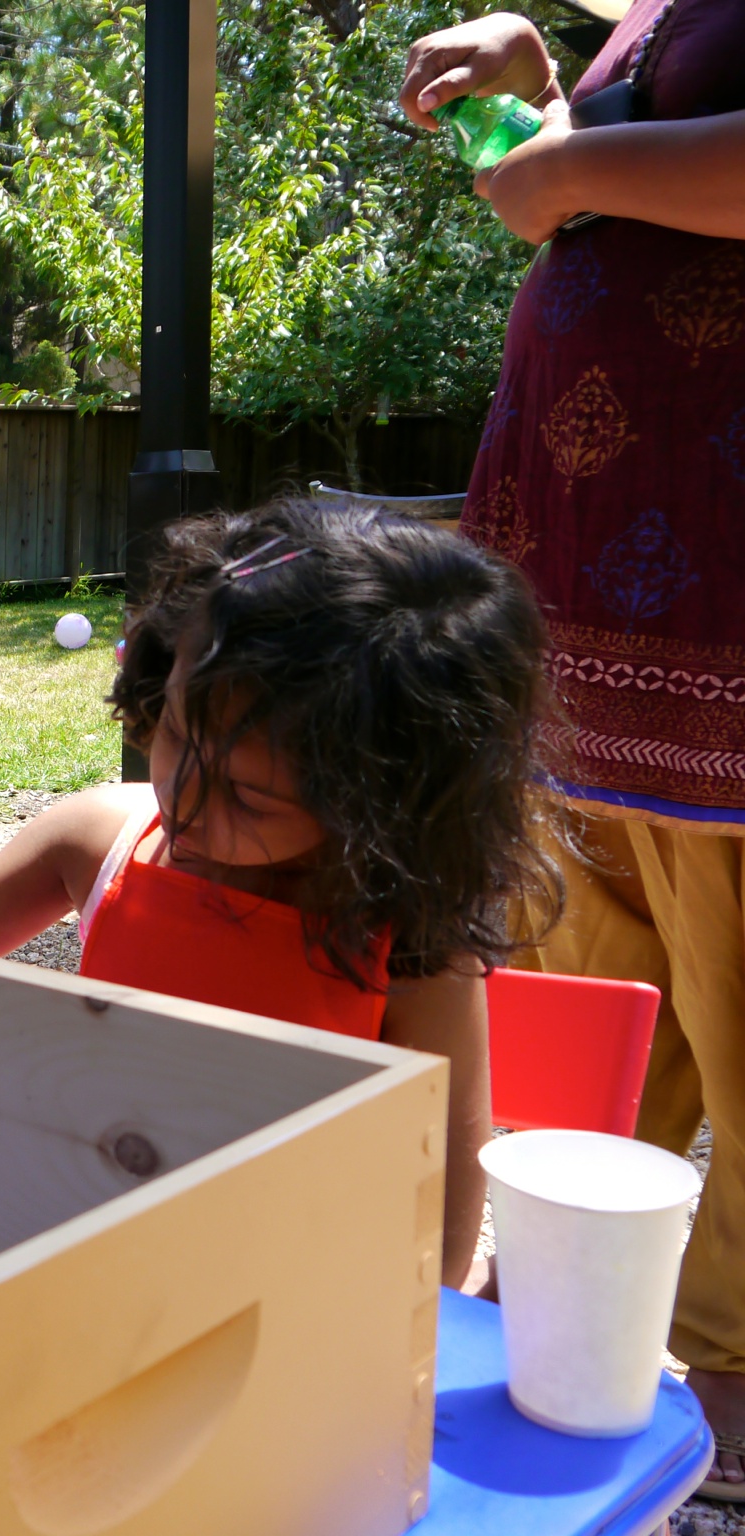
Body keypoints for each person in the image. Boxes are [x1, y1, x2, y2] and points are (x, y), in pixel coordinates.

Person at [0, 502, 565, 1290]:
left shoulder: (409, 939)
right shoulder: (100, 840)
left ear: (381, 800)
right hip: (99, 1261)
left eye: (247, 795)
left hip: (291, 1289)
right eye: (176, 730)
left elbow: (445, 1220)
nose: (182, 798)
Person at [401, 4, 745, 1497]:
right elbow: (568, 199)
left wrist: (567, 171)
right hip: (586, 604)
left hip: (723, 614)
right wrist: (546, 81)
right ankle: (564, 1311)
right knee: (583, 1020)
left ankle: (728, 1380)